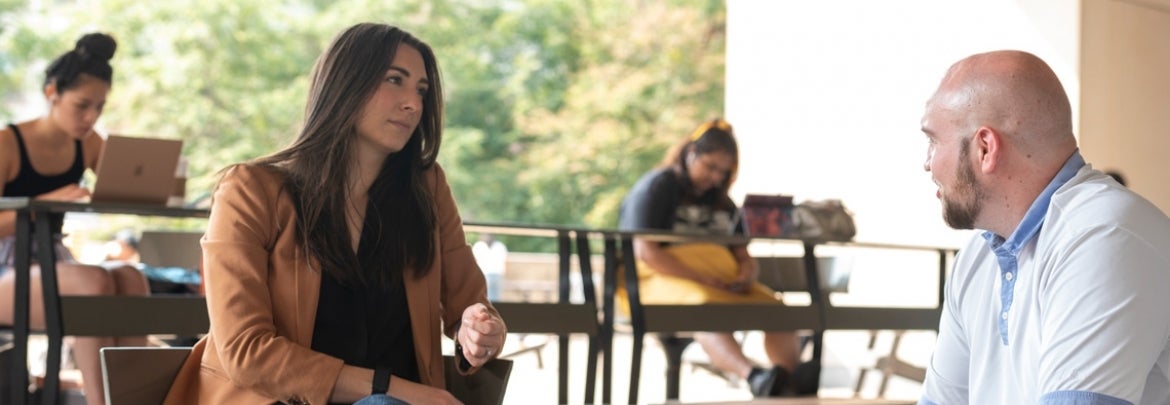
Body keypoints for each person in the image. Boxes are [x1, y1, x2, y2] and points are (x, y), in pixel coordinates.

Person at [162, 23, 507, 405]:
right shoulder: (249, 190)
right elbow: (246, 350)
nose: (413, 103)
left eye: (421, 91)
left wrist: (479, 333)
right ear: (345, 84)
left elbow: (469, 307)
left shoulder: (428, 190)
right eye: (395, 80)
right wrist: (393, 389)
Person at [918, 50, 1170, 404]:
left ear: (985, 148)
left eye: (932, 141)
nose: (926, 164)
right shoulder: (976, 259)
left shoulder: (1103, 235)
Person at [0, 32, 151, 405]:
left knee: (131, 278)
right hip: (6, 269)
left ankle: (136, 399)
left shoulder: (90, 143)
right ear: (52, 92)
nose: (91, 117)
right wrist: (41, 203)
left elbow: (123, 188)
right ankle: (101, 402)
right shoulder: (8, 143)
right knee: (93, 280)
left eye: (99, 107)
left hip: (55, 264)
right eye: (82, 105)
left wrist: (147, 182)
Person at [618, 118, 816, 397]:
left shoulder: (722, 201)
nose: (715, 177)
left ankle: (785, 381)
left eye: (723, 173)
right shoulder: (657, 187)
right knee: (704, 309)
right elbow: (645, 252)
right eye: (710, 167)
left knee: (778, 310)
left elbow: (742, 254)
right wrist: (702, 277)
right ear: (691, 154)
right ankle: (755, 376)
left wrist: (746, 273)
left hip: (718, 282)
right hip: (660, 279)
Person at [471, 233, 507, 301]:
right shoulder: (479, 245)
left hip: (495, 275)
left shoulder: (499, 246)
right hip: (486, 275)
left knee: (491, 297)